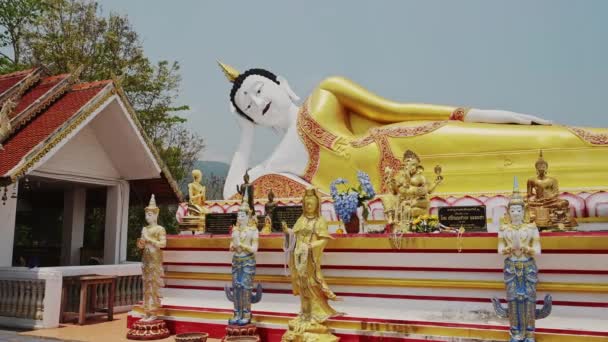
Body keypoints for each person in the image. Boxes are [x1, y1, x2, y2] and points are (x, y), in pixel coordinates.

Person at [218, 62, 608, 199]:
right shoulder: (273, 167)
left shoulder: (325, 92)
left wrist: (477, 114)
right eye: (247, 107)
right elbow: (231, 195)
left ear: (280, 82)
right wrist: (245, 136)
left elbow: (395, 110)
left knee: (538, 142)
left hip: (409, 143)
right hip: (400, 191)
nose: (256, 101)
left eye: (257, 89)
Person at [281, 188, 341, 342]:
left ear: (317, 204)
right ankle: (305, 314)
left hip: (310, 260)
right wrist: (287, 232)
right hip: (298, 258)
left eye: (311, 203)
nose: (308, 206)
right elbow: (294, 235)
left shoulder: (320, 221)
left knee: (312, 285)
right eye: (306, 203)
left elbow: (324, 239)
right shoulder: (300, 220)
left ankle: (315, 316)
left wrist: (312, 246)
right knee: (302, 287)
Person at [137, 195, 167, 322]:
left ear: (155, 215)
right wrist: (141, 242)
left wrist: (149, 240)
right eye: (147, 215)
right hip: (146, 260)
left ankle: (153, 312)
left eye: (149, 214)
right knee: (146, 286)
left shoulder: (160, 229)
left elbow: (163, 244)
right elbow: (140, 246)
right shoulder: (145, 229)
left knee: (153, 286)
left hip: (155, 260)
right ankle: (147, 311)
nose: (147, 217)